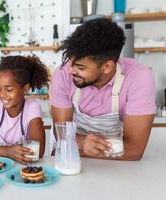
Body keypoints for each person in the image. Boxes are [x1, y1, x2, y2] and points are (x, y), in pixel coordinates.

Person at [50, 18, 155, 160]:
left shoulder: (139, 77)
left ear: (107, 67)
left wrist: (83, 151)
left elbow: (135, 149)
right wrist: (81, 142)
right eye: (71, 63)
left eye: (80, 67)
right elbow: (61, 133)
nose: (71, 71)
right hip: (77, 157)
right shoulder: (62, 74)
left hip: (114, 163)